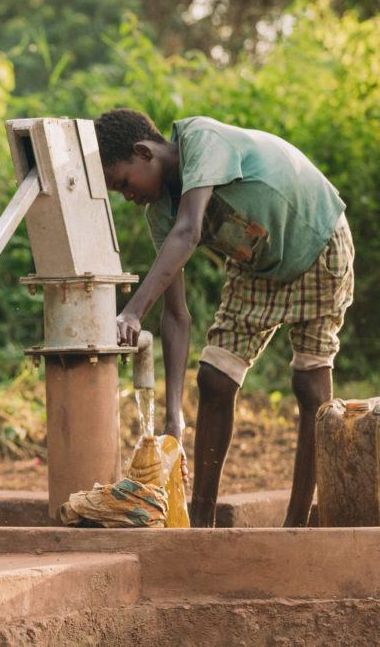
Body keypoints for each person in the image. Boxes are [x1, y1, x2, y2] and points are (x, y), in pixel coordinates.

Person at [94, 109, 353, 528]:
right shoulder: (159, 212)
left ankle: (297, 524)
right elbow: (176, 316)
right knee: (214, 379)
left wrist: (131, 311)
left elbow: (190, 231)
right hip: (257, 267)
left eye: (124, 183)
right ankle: (202, 521)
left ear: (144, 152)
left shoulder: (202, 139)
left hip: (317, 240)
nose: (128, 196)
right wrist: (174, 414)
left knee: (309, 386)